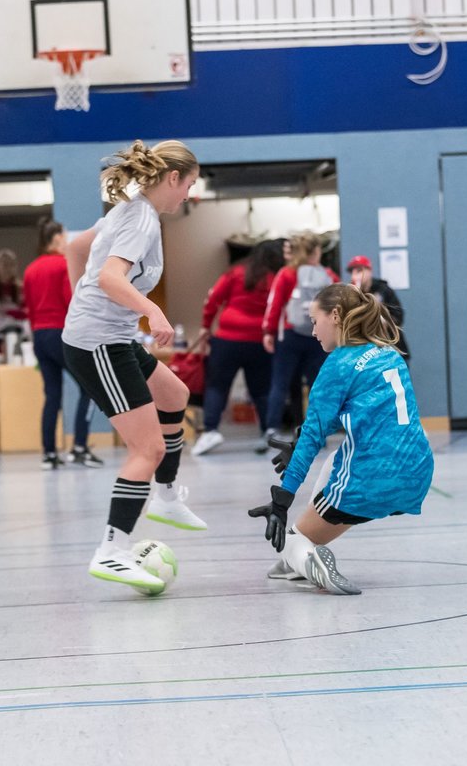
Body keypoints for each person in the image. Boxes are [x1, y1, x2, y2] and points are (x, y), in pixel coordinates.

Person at [61, 139, 207, 594]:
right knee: (147, 450)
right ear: (171, 179)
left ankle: (165, 498)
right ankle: (111, 549)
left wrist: (81, 306)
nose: (189, 195)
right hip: (99, 344)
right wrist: (153, 311)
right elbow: (107, 276)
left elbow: (74, 248)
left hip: (111, 336)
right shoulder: (140, 219)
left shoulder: (128, 209)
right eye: (189, 186)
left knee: (175, 395)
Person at [248, 283, 434, 595]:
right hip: (418, 471)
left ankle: (302, 554)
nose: (312, 331)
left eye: (314, 321)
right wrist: (298, 444)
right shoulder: (388, 353)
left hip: (372, 479)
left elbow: (313, 435)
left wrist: (282, 500)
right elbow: (347, 416)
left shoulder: (337, 365)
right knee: (339, 457)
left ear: (335, 316)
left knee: (295, 538)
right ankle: (293, 560)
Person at [190, 240, 284, 456]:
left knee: (217, 386)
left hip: (227, 339)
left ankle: (211, 431)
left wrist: (206, 326)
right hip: (259, 341)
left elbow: (212, 300)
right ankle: (267, 431)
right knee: (261, 390)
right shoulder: (276, 278)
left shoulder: (236, 273)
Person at [23, 217, 100, 469]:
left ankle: (49, 453)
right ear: (56, 238)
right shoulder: (62, 265)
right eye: (64, 236)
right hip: (61, 333)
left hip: (40, 337)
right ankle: (79, 447)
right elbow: (71, 302)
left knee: (52, 396)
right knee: (89, 388)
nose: (67, 241)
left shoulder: (30, 270)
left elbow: (30, 309)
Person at [261, 233, 339, 439]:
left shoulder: (287, 274)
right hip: (318, 337)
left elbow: (274, 303)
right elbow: (341, 302)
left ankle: (272, 429)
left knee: (280, 382)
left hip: (290, 334)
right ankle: (317, 432)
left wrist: (268, 331)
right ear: (316, 251)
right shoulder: (329, 275)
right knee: (317, 385)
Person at [346, 254, 409, 362]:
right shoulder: (352, 293)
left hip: (391, 346)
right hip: (366, 351)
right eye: (353, 272)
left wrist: (381, 320)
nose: (355, 275)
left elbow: (398, 316)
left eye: (359, 270)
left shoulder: (383, 290)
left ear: (369, 271)